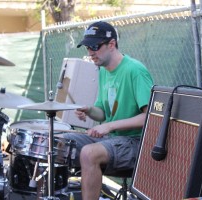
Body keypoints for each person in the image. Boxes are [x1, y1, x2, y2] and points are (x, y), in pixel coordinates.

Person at [63, 21, 153, 200]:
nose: (90, 52)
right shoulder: (103, 71)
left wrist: (109, 126)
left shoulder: (135, 70)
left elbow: (150, 117)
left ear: (111, 44)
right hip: (113, 140)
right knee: (61, 142)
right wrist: (89, 110)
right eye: (88, 47)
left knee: (89, 153)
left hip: (136, 143)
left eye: (95, 46)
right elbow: (103, 113)